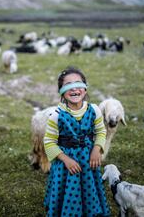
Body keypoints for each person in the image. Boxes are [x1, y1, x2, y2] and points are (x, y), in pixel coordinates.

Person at [43, 66, 110, 217]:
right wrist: (66, 160)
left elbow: (100, 131)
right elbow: (49, 141)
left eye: (78, 84)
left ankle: (89, 210)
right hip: (65, 163)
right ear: (61, 91)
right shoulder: (56, 115)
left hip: (87, 158)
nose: (74, 89)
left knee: (88, 186)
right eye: (68, 85)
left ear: (85, 89)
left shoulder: (94, 110)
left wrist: (96, 149)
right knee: (67, 188)